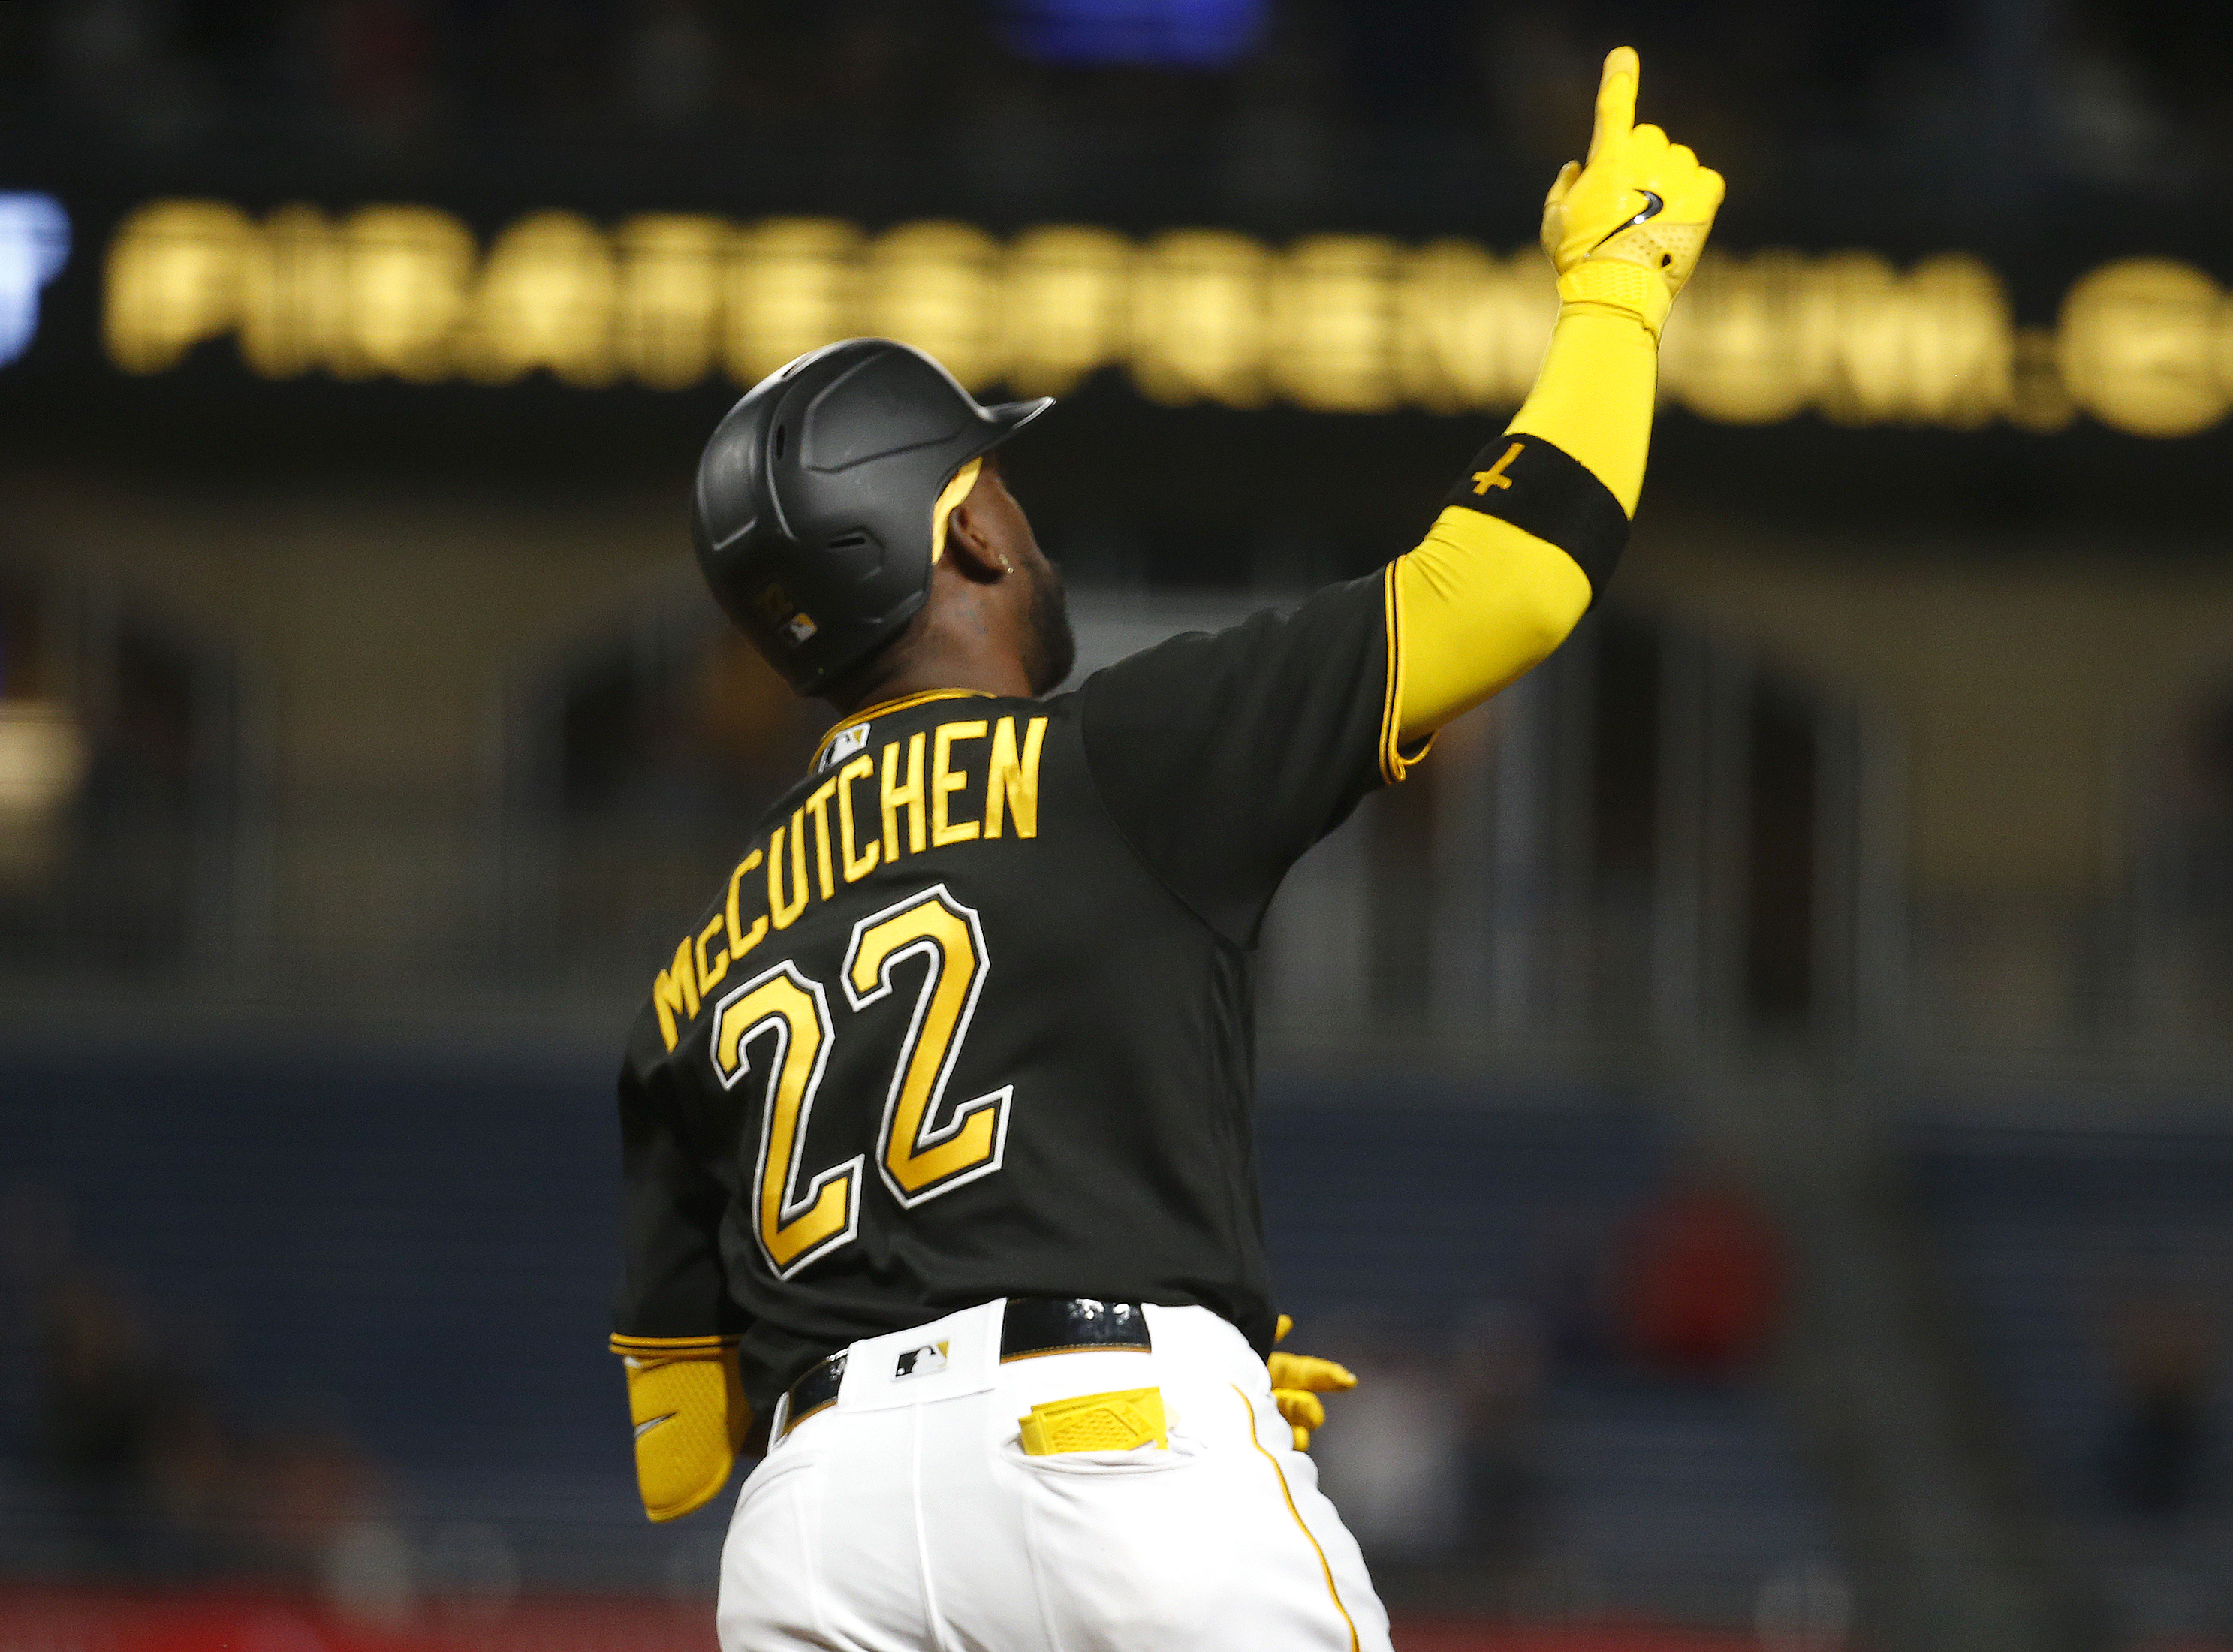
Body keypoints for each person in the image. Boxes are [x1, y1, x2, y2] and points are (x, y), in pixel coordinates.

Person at [610, 47, 1722, 1652]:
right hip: (1105, 1451)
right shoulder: (1115, 756)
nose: (1029, 523)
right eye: (1005, 486)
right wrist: (1618, 296)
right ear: (969, 531)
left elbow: (679, 1446)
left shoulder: (693, 968)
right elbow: (1516, 581)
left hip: (805, 1534)